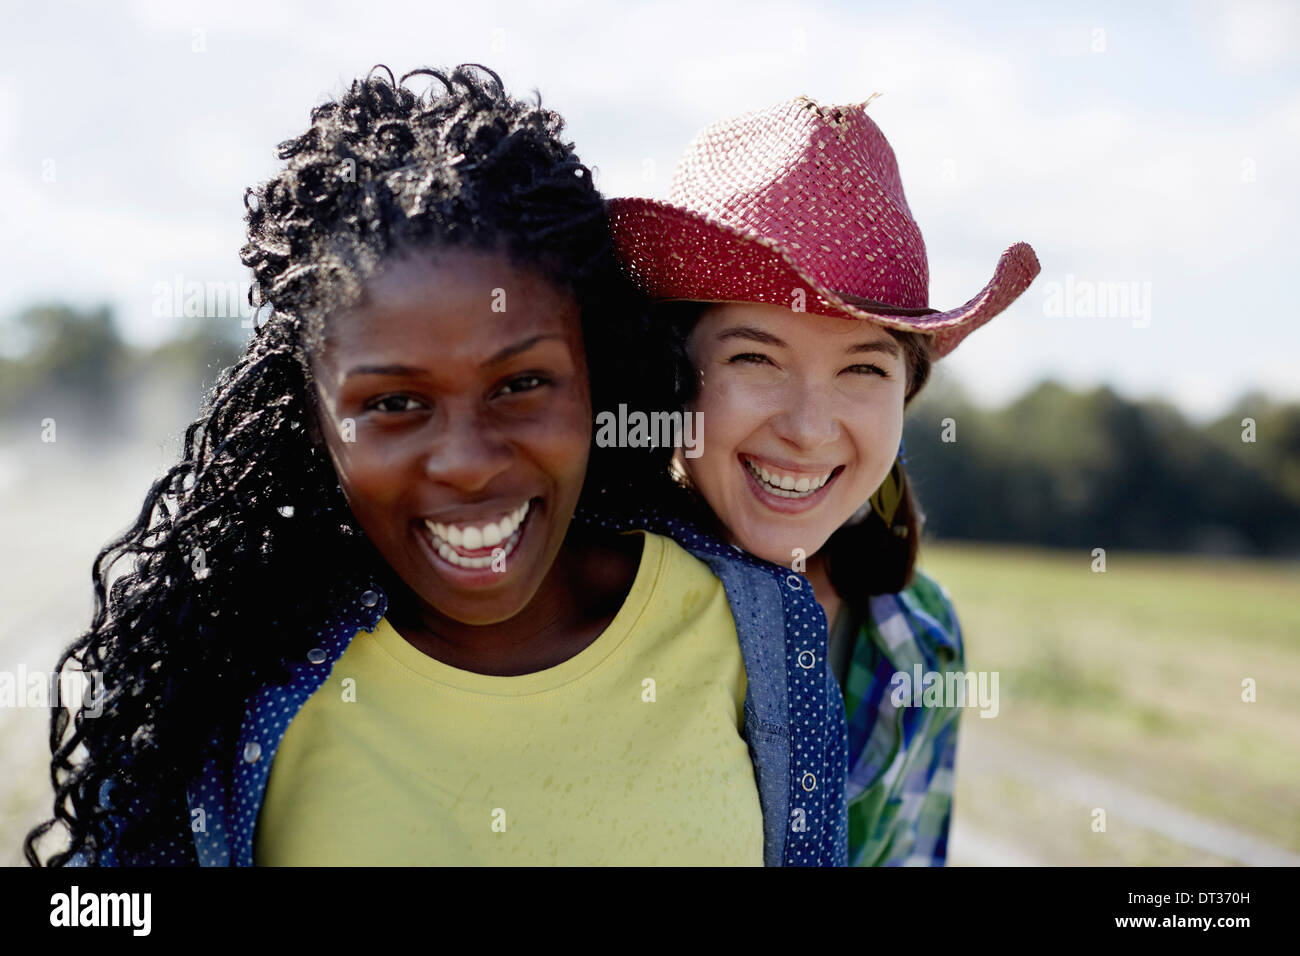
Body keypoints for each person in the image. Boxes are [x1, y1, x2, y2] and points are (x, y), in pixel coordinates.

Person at [22, 67, 845, 867]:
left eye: (522, 385)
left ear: (597, 377)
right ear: (313, 419)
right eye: (393, 404)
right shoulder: (230, 689)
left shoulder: (760, 633)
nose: (465, 463)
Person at [606, 94, 1041, 864]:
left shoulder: (922, 636)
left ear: (905, 393)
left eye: (862, 369)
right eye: (755, 358)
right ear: (668, 371)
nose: (808, 428)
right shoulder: (596, 607)